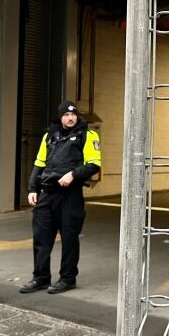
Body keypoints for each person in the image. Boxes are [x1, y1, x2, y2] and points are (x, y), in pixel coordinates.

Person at [19, 101, 101, 294]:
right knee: (41, 238)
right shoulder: (50, 135)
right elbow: (39, 163)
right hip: (47, 194)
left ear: (77, 116)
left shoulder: (87, 135)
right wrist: (32, 188)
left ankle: (68, 278)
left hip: (70, 195)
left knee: (70, 238)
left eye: (73, 115)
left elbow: (94, 164)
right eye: (66, 115)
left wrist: (73, 174)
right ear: (60, 117)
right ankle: (40, 277)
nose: (70, 118)